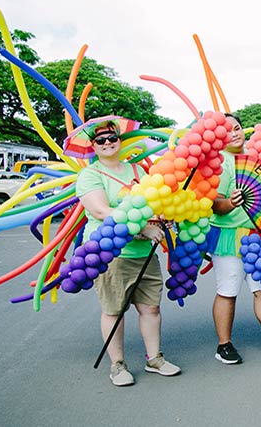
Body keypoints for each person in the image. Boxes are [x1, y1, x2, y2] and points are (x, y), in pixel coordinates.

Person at [76, 119, 180, 386]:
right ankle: (117, 365)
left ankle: (154, 358)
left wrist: (161, 216)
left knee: (151, 307)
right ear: (93, 146)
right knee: (114, 310)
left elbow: (152, 202)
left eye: (112, 137)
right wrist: (142, 226)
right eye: (101, 140)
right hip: (111, 253)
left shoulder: (137, 170)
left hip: (144, 252)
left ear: (120, 140)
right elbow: (101, 211)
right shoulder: (90, 175)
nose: (108, 142)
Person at [207, 113, 261, 364]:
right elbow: (214, 204)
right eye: (226, 131)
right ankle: (224, 345)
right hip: (228, 236)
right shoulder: (219, 164)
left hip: (256, 235)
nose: (233, 133)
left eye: (236, 128)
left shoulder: (254, 159)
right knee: (227, 290)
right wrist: (229, 203)